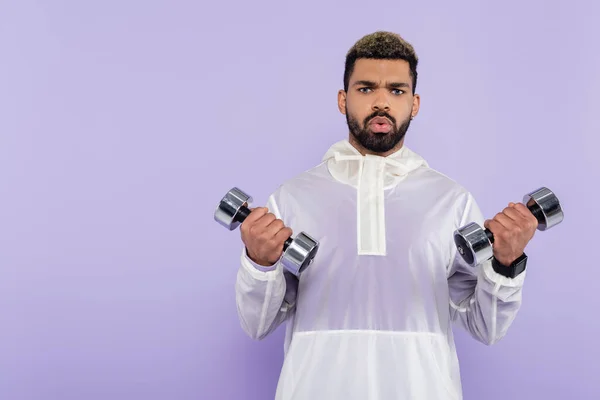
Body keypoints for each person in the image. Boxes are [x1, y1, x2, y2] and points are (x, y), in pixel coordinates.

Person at [233, 31, 538, 400]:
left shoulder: (451, 200)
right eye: (365, 89)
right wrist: (259, 264)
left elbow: (486, 327)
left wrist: (506, 264)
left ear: (415, 103)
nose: (381, 102)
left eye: (396, 90)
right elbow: (257, 324)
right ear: (343, 100)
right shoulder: (293, 197)